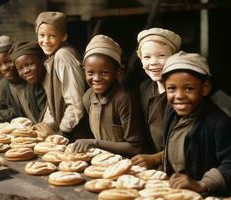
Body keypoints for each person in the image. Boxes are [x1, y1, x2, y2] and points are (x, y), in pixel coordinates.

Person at [162, 51, 231, 196]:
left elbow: (229, 163)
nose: (179, 96)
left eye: (188, 88)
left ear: (205, 88)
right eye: (172, 88)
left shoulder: (219, 123)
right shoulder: (171, 113)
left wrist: (201, 184)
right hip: (177, 191)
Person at [71, 35, 145, 157]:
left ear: (118, 72)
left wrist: (95, 143)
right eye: (90, 72)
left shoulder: (124, 98)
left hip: (126, 162)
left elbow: (135, 147)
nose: (96, 78)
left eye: (104, 72)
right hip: (102, 160)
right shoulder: (88, 97)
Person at [35, 11, 89, 141]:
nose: (46, 41)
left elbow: (76, 103)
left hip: (75, 133)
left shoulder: (63, 55)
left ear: (64, 36)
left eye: (52, 35)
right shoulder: (53, 57)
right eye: (41, 35)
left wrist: (61, 132)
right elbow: (53, 100)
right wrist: (46, 124)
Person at [131, 28, 181, 168]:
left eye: (161, 56)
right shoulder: (145, 88)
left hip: (178, 164)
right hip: (151, 161)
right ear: (140, 59)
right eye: (147, 57)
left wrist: (158, 158)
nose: (153, 62)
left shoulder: (182, 95)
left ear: (175, 57)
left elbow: (189, 140)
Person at [0, 35, 25, 121]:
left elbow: (23, 110)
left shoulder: (30, 79)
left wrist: (2, 114)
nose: (4, 68)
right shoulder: (4, 84)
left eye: (8, 61)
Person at [10, 40, 47, 124]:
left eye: (30, 64)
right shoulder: (30, 86)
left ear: (42, 61)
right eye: (20, 68)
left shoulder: (50, 82)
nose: (26, 71)